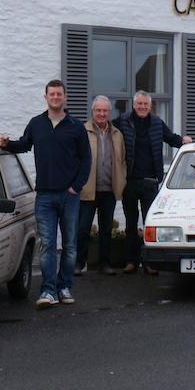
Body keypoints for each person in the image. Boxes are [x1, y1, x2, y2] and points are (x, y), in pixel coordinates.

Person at [0, 79, 91, 309]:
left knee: (69, 245)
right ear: (46, 97)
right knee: (47, 244)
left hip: (69, 196)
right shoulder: (36, 124)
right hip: (45, 197)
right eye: (52, 94)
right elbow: (24, 144)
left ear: (65, 97)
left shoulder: (75, 126)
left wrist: (76, 187)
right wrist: (6, 144)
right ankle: (48, 290)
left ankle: (64, 287)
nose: (56, 98)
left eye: (59, 94)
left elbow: (86, 159)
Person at [114, 90, 193, 275]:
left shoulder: (157, 123)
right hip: (129, 182)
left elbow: (170, 138)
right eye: (139, 104)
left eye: (145, 104)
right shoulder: (123, 121)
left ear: (150, 106)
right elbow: (107, 133)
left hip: (151, 182)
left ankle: (149, 263)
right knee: (131, 224)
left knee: (150, 224)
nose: (142, 107)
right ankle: (131, 261)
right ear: (134, 105)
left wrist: (183, 141)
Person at [76, 96, 127, 276]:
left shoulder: (117, 134)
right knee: (82, 228)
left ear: (109, 112)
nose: (102, 114)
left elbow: (122, 161)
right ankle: (78, 264)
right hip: (87, 190)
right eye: (98, 110)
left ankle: (104, 264)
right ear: (93, 112)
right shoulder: (82, 131)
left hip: (108, 190)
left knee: (106, 230)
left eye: (105, 111)